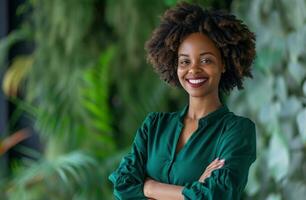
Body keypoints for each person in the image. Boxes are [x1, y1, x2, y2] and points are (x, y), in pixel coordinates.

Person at [109, 2, 256, 200]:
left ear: (223, 64)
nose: (193, 70)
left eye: (206, 60)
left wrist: (149, 187)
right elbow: (123, 186)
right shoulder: (154, 126)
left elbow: (216, 195)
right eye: (185, 61)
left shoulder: (235, 131)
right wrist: (194, 189)